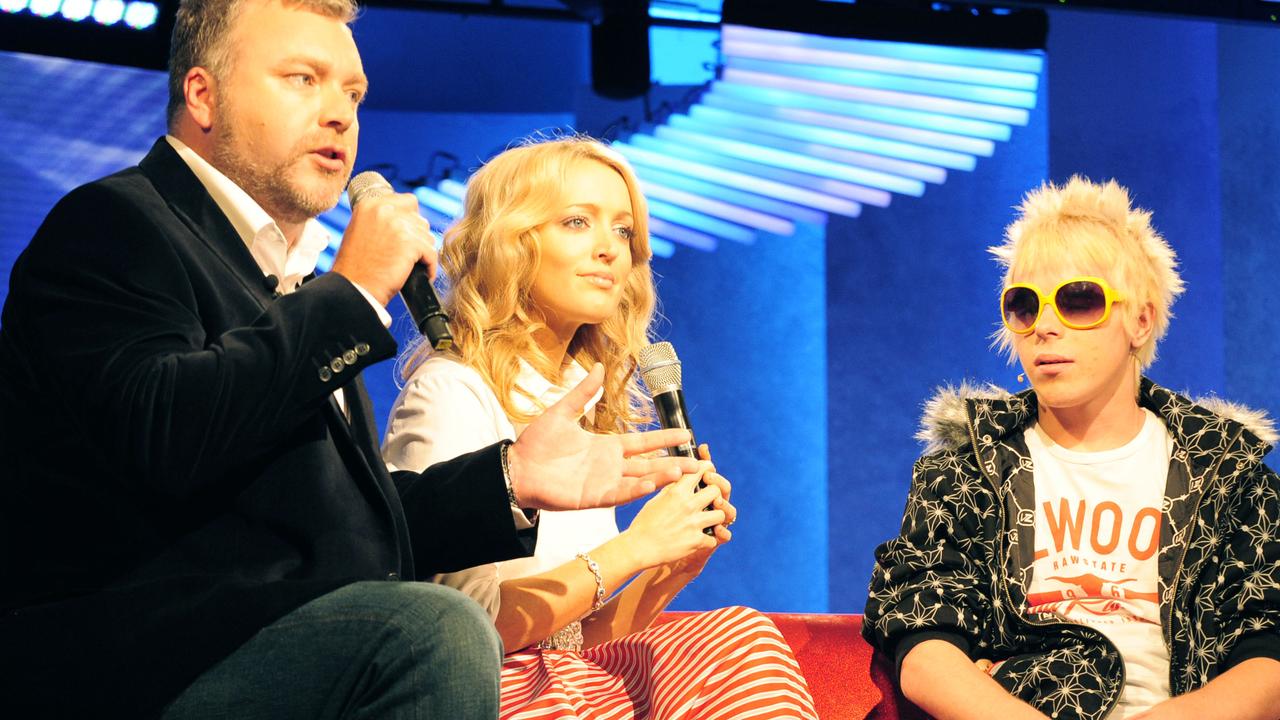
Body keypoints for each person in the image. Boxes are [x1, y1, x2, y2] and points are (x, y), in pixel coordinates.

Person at [0, 1, 701, 717]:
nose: (339, 114)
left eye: (353, 93)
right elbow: (162, 432)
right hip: (143, 674)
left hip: (286, 657)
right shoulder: (115, 224)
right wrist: (357, 291)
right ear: (203, 95)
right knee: (437, 624)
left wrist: (510, 477)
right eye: (304, 79)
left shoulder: (292, 287)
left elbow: (354, 531)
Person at [381, 136, 819, 719]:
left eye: (622, 231)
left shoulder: (579, 399)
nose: (610, 250)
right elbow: (458, 632)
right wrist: (634, 546)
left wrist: (664, 569)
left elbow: (578, 639)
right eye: (576, 222)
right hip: (488, 694)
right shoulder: (452, 390)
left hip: (572, 683)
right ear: (511, 242)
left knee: (741, 637)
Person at [862, 176, 1280, 720]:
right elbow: (924, 643)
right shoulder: (966, 470)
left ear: (1141, 319)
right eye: (1024, 306)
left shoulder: (1226, 474)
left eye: (1079, 301)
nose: (1046, 327)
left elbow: (1267, 650)